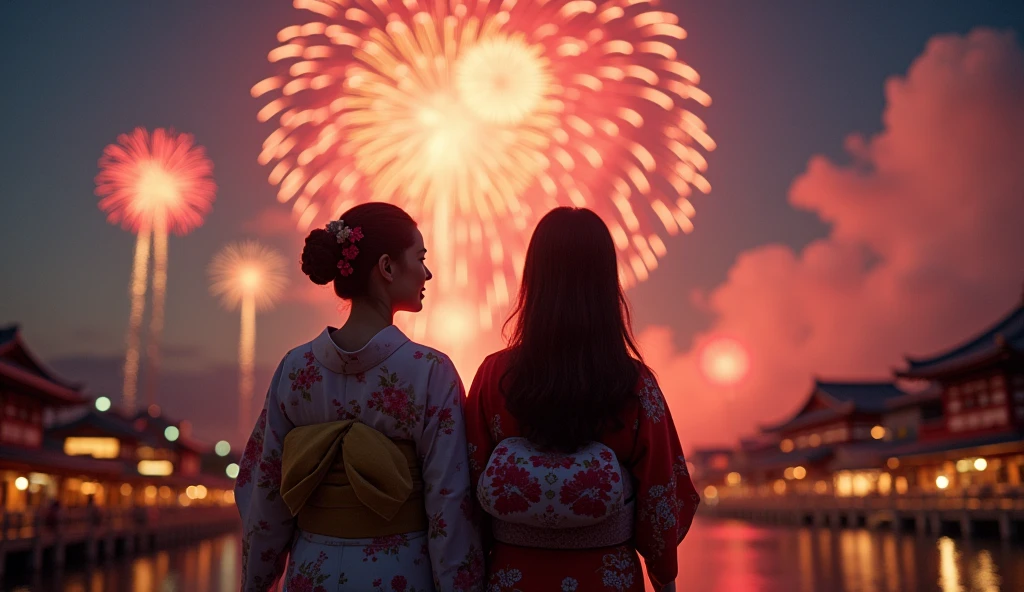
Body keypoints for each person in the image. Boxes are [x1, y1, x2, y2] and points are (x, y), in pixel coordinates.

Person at [235, 203, 483, 592]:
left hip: (310, 571)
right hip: (400, 572)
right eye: (419, 258)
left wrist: (256, 581)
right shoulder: (431, 371)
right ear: (386, 267)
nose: (427, 273)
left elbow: (263, 490)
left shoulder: (294, 369)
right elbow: (450, 502)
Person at [465, 207, 699, 592]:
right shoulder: (635, 384)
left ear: (534, 279)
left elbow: (470, 483)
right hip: (605, 576)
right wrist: (663, 574)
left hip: (514, 574)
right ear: (607, 282)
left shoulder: (494, 375)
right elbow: (661, 495)